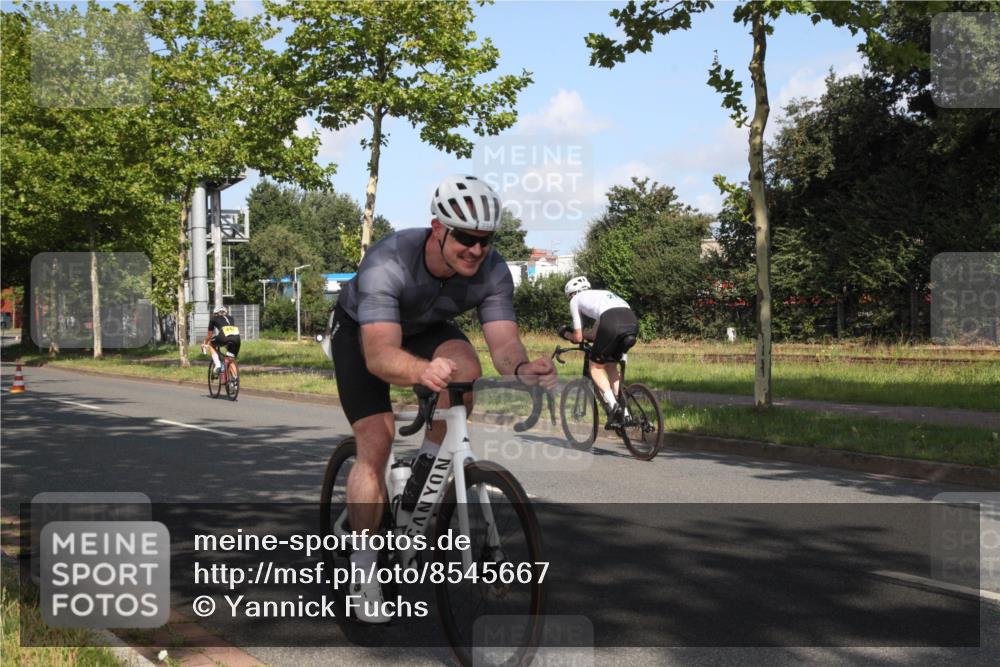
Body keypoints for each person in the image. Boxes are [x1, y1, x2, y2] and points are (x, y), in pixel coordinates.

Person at [331, 174, 558, 622]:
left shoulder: (493, 271)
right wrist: (420, 370)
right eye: (466, 238)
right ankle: (363, 566)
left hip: (426, 327)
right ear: (438, 228)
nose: (476, 249)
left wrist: (521, 368)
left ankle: (422, 476)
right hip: (363, 333)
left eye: (485, 240)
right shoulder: (388, 261)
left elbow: (503, 345)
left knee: (466, 371)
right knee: (376, 439)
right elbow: (380, 356)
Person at [561, 276, 638, 427]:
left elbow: (578, 337)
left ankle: (614, 406)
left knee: (595, 367)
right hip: (632, 322)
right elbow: (595, 335)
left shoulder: (575, 300)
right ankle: (625, 413)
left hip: (612, 323)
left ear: (572, 294)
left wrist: (565, 333)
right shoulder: (602, 295)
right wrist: (583, 335)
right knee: (610, 366)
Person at [202, 306, 240, 376]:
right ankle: (235, 379)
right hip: (237, 339)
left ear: (216, 313)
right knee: (230, 359)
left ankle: (218, 365)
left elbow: (209, 335)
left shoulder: (213, 318)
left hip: (223, 337)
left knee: (210, 344)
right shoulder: (231, 318)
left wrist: (204, 343)